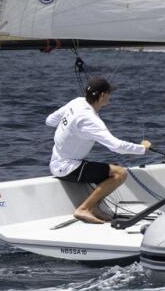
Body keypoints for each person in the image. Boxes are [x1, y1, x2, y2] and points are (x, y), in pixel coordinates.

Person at [46, 76, 150, 224]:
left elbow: (50, 121)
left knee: (110, 166)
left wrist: (69, 128)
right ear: (102, 95)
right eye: (109, 93)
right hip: (68, 168)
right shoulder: (90, 119)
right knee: (120, 173)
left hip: (55, 163)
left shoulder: (76, 102)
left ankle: (94, 208)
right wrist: (143, 149)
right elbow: (116, 146)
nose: (110, 97)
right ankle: (84, 209)